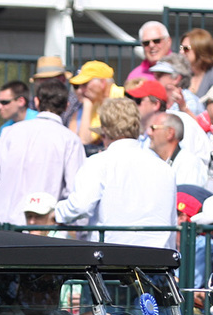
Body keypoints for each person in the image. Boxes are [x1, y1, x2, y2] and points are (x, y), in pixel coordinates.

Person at [54, 98, 176, 248]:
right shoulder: (164, 168)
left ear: (105, 131)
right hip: (158, 261)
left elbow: (81, 206)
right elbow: (171, 223)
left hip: (113, 260)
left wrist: (55, 213)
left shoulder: (98, 163)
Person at [0, 78, 85, 226]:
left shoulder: (10, 132)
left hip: (3, 227)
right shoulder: (70, 140)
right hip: (41, 230)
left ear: (37, 102)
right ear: (66, 106)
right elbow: (74, 191)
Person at [148, 113, 213, 192]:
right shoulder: (160, 163)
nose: (149, 133)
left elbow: (186, 200)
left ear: (170, 133)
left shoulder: (188, 164)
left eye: (153, 128)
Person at [69, 61, 125, 147]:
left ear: (102, 83)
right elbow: (85, 140)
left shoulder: (124, 97)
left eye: (85, 84)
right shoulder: (95, 104)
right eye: (77, 86)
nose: (80, 90)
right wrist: (87, 105)